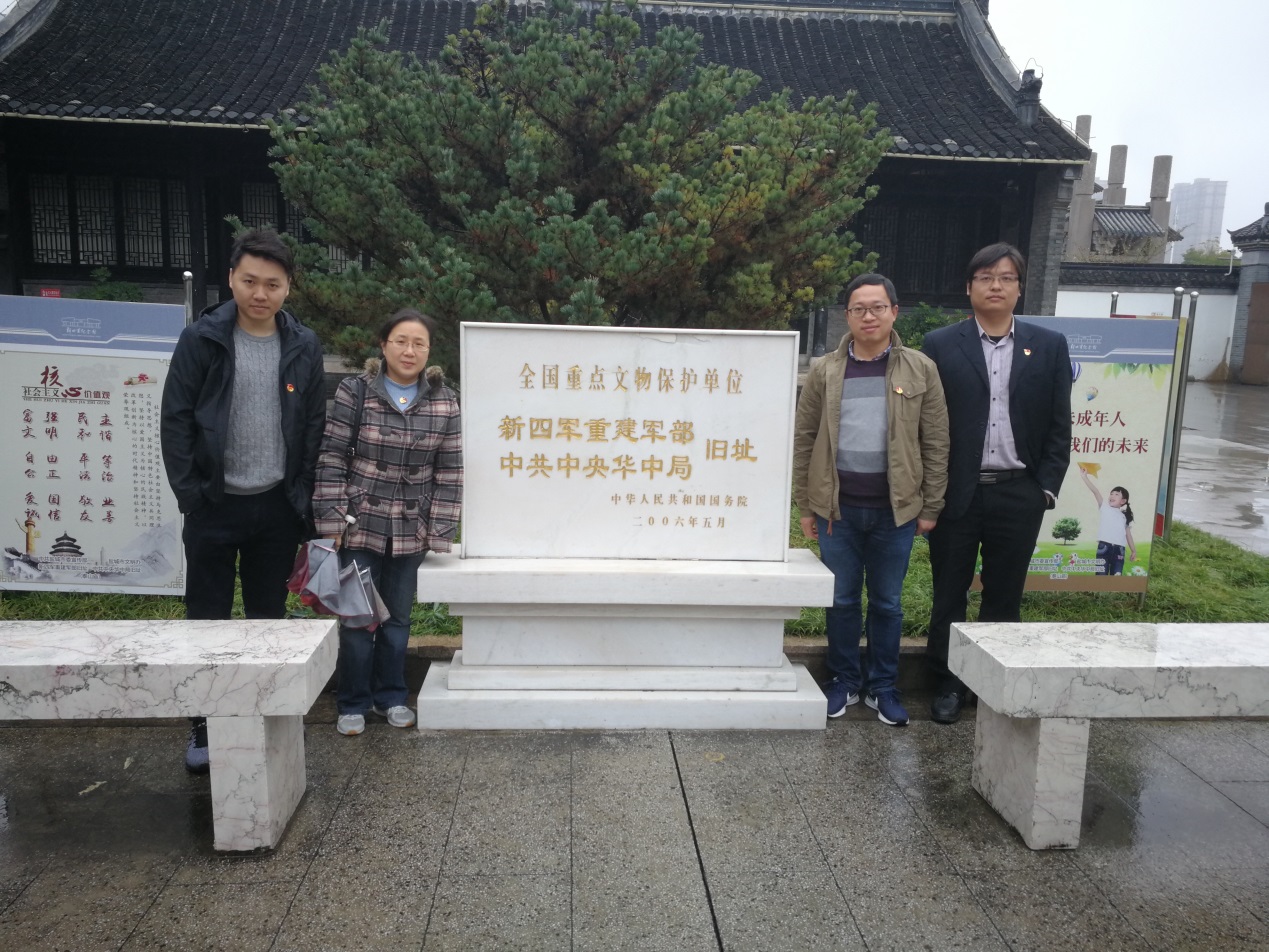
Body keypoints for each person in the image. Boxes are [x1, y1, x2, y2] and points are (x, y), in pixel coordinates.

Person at [161, 228, 326, 772]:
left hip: (275, 506)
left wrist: (300, 496)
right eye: (250, 280)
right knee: (207, 618)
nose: (260, 293)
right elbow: (176, 420)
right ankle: (204, 725)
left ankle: (264, 718)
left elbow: (313, 426)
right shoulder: (202, 339)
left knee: (266, 620)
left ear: (288, 287)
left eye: (272, 284)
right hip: (214, 503)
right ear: (232, 278)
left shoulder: (302, 345)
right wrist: (192, 496)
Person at [921, 243, 1072, 724]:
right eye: (986, 277)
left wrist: (1044, 488)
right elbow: (926, 424)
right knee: (949, 592)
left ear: (1019, 288)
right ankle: (947, 683)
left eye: (1006, 278)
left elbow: (1059, 425)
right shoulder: (940, 345)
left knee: (1004, 595)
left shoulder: (1048, 345)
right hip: (957, 492)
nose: (996, 286)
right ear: (969, 287)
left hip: (1018, 490)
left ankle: (992, 684)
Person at [793, 273, 949, 726]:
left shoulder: (920, 368)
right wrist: (806, 505)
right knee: (841, 600)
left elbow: (936, 441)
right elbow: (805, 439)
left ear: (894, 312)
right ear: (847, 315)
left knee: (887, 603)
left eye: (878, 307)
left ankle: (883, 686)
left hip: (895, 511)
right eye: (859, 308)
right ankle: (843, 680)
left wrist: (931, 506)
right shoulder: (825, 370)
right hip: (836, 510)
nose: (869, 316)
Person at [313, 308, 462, 736]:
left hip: (411, 529)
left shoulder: (444, 400)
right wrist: (331, 518)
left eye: (418, 343)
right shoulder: (356, 391)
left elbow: (450, 470)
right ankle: (353, 702)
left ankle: (392, 696)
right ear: (384, 345)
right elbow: (332, 455)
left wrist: (439, 530)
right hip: (359, 524)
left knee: (398, 620)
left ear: (429, 351)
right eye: (400, 341)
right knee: (358, 619)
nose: (409, 351)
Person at [1081, 468, 1136, 575]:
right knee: (1101, 575)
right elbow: (1095, 492)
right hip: (1104, 547)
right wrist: (1084, 477)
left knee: (1116, 575)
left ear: (1123, 501)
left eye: (1116, 494)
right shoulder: (1104, 507)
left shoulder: (1124, 517)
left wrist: (1133, 550)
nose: (1112, 496)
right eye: (1111, 494)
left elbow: (1128, 535)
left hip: (1119, 550)